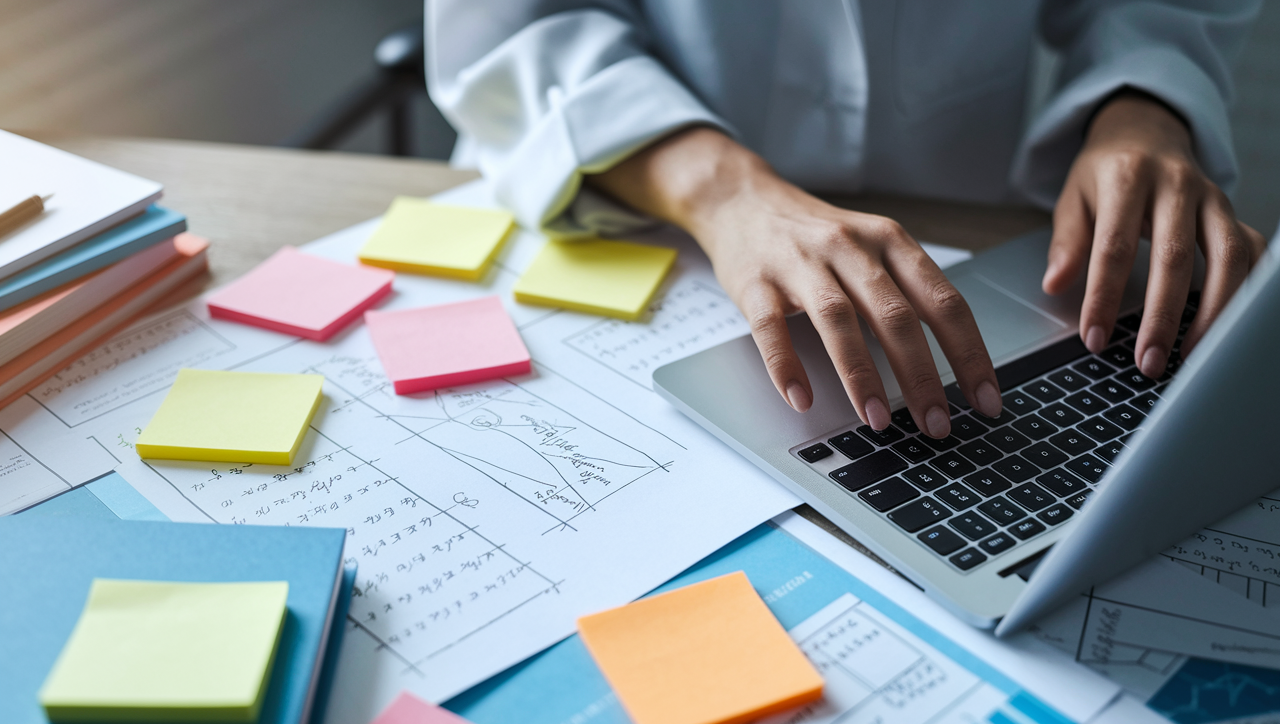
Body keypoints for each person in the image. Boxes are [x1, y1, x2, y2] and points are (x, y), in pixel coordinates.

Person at [425, 0, 1267, 440]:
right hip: (633, 196)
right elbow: (510, 27)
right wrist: (724, 191)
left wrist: (1142, 102)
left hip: (961, 213)